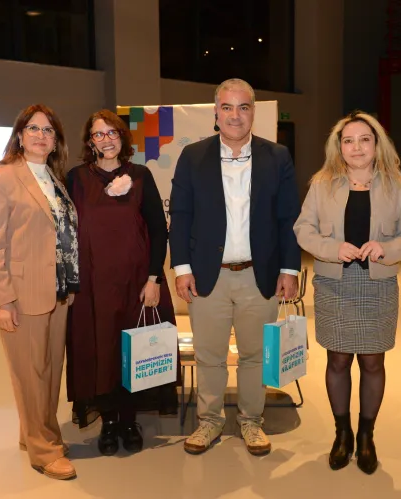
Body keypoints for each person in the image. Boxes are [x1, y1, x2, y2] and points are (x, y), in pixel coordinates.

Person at [169, 78, 301, 456]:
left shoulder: (277, 157)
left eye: (243, 107)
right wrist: (182, 268)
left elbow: (288, 218)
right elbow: (180, 216)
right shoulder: (193, 157)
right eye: (227, 107)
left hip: (260, 275)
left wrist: (289, 270)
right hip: (206, 276)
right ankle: (209, 422)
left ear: (253, 111)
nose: (235, 115)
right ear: (216, 112)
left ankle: (251, 421)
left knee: (254, 356)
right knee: (209, 356)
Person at [294, 110, 401, 474]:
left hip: (377, 286)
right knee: (337, 361)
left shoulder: (397, 186)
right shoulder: (322, 184)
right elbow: (303, 229)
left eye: (364, 139)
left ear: (377, 144)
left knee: (372, 363)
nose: (356, 147)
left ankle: (367, 436)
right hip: (334, 285)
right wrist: (330, 248)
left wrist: (387, 248)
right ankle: (343, 434)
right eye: (348, 140)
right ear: (338, 147)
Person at [65, 109, 178, 456]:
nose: (106, 139)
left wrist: (154, 278)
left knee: (134, 350)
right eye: (99, 134)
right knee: (101, 351)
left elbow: (158, 230)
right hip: (93, 286)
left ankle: (129, 419)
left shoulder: (140, 175)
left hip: (136, 283)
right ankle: (110, 420)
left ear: (122, 136)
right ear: (90, 142)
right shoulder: (76, 179)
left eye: (112, 132)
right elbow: (65, 232)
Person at [0, 104, 79, 480]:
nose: (41, 135)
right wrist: (4, 300)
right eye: (33, 129)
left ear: (56, 141)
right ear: (20, 135)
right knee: (30, 374)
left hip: (58, 291)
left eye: (48, 130)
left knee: (49, 371)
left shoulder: (54, 179)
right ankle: (43, 450)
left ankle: (36, 433)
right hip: (21, 295)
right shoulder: (0, 178)